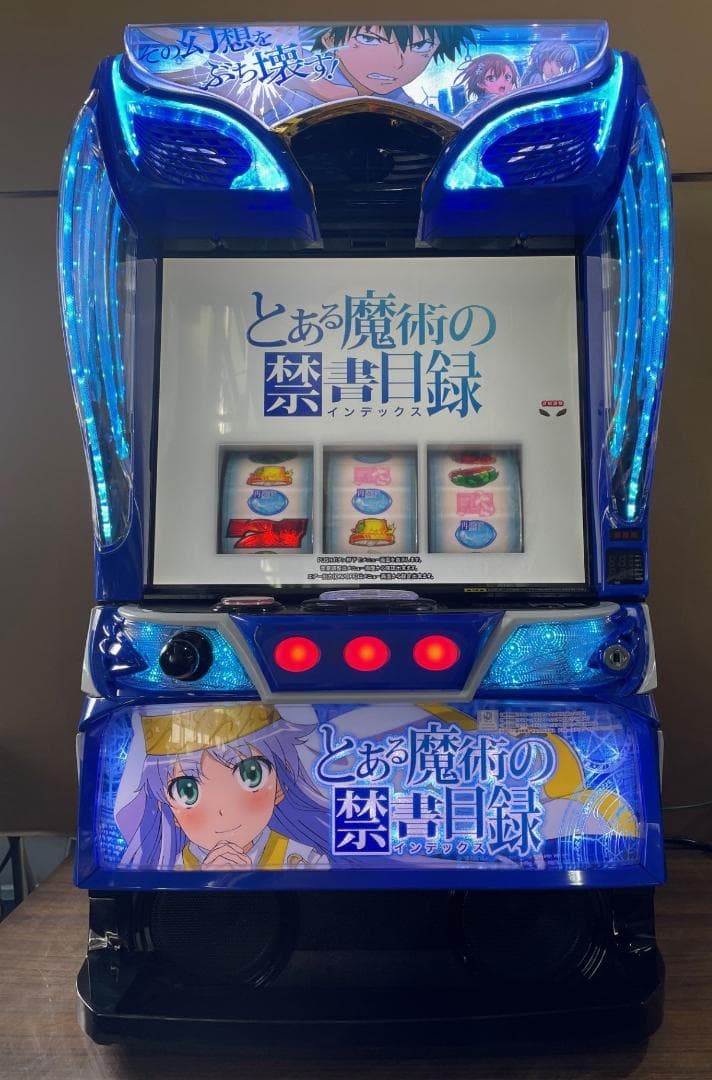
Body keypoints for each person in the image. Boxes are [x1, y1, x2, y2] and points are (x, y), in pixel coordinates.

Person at [115, 703, 329, 870]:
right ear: (169, 809)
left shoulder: (306, 860)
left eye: (251, 775)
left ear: (279, 786)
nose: (223, 811)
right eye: (188, 792)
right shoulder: (172, 869)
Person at [454, 53, 519, 123]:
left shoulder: (512, 102)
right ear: (480, 83)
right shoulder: (477, 106)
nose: (502, 84)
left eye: (507, 77)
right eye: (491, 78)